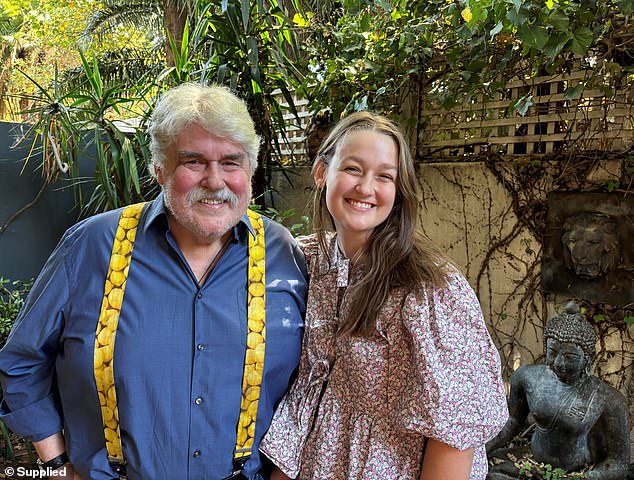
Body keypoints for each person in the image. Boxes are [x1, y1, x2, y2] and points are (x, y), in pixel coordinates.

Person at [0, 83, 308, 480]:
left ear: (249, 169)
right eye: (194, 162)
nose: (215, 181)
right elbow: (22, 361)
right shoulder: (92, 245)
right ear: (160, 169)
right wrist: (56, 464)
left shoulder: (284, 254)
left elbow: (315, 380)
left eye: (231, 162)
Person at [259, 111, 509, 480]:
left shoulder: (430, 291)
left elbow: (455, 433)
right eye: (353, 169)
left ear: (399, 189)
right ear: (321, 173)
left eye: (385, 176)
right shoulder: (309, 260)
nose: (366, 188)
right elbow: (312, 394)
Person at [486, 302, 630, 480]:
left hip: (579, 472)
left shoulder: (607, 399)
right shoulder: (527, 377)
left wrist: (583, 478)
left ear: (587, 359)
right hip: (530, 460)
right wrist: (483, 449)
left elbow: (620, 463)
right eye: (553, 352)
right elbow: (512, 421)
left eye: (570, 357)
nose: (559, 363)